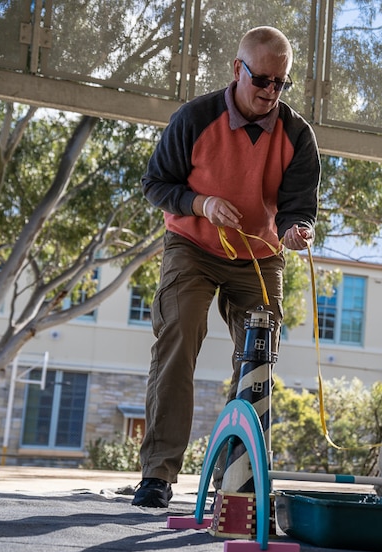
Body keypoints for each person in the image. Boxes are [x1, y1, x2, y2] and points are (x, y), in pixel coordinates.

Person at [132, 26, 320, 508]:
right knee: (178, 338)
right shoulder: (195, 117)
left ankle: (236, 480)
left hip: (259, 255)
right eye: (262, 80)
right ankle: (158, 474)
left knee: (258, 362)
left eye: (281, 83)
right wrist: (201, 203)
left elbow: (299, 206)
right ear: (237, 70)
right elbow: (156, 184)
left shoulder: (298, 135)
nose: (270, 92)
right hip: (192, 245)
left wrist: (297, 231)